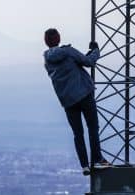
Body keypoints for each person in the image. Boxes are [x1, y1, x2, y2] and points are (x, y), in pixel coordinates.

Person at [43, 28, 112, 176]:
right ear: (59, 38)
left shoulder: (47, 61)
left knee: (77, 133)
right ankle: (98, 159)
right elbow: (89, 62)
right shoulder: (68, 51)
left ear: (46, 42)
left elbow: (71, 66)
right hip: (84, 94)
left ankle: (85, 165)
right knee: (93, 127)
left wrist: (81, 57)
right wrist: (96, 50)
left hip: (68, 101)